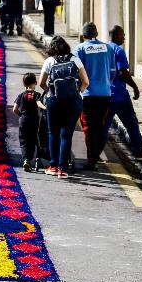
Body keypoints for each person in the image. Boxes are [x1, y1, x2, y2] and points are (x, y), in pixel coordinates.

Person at [39, 36, 89, 177]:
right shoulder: (75, 60)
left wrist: (50, 92)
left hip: (54, 101)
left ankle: (53, 166)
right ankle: (63, 169)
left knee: (53, 133)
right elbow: (86, 81)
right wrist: (77, 92)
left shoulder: (49, 61)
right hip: (72, 102)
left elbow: (41, 83)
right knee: (66, 135)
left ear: (52, 48)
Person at [73, 22, 115, 171]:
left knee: (88, 127)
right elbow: (113, 72)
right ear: (96, 34)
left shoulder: (79, 49)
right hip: (105, 94)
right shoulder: (108, 48)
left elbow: (76, 73)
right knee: (100, 126)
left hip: (88, 95)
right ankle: (96, 155)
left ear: (83, 35)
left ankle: (92, 159)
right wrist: (104, 84)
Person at [105, 26, 142, 158]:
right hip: (120, 95)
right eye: (123, 35)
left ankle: (95, 154)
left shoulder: (105, 49)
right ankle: (138, 151)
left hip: (106, 94)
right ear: (117, 35)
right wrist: (135, 87)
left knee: (103, 127)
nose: (124, 37)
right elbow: (123, 72)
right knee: (131, 124)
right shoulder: (118, 50)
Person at [13, 73, 47, 172]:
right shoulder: (37, 95)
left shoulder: (21, 95)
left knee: (24, 141)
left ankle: (26, 160)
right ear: (35, 83)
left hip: (23, 120)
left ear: (24, 84)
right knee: (35, 140)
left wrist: (21, 116)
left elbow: (15, 109)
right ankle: (36, 159)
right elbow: (38, 103)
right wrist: (45, 108)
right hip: (34, 121)